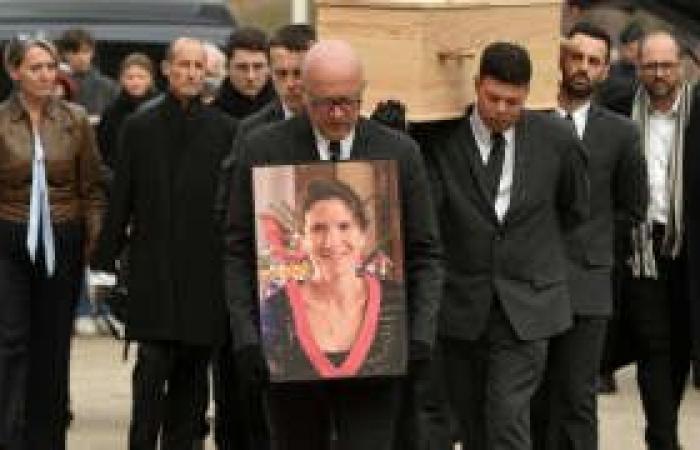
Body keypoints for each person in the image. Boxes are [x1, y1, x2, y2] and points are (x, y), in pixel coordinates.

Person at [224, 40, 442, 450]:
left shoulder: (399, 152)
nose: (338, 114)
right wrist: (247, 337)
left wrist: (420, 336)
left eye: (348, 102)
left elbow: (426, 253)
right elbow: (237, 251)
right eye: (326, 104)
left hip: (379, 356)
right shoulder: (263, 149)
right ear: (303, 94)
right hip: (288, 355)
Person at [422, 42, 589, 450]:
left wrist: (535, 252)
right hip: (461, 305)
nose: (500, 109)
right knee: (472, 424)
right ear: (476, 85)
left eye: (512, 102)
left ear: (527, 95)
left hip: (527, 306)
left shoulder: (557, 139)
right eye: (492, 98)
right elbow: (428, 216)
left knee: (507, 418)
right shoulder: (440, 138)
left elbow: (574, 208)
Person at [91, 37, 235, 450]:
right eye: (183, 65)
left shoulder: (226, 130)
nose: (191, 73)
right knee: (151, 371)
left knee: (193, 380)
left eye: (198, 66)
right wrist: (104, 264)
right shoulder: (139, 127)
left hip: (203, 273)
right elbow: (122, 198)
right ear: (167, 69)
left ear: (207, 73)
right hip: (152, 270)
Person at [530, 22, 648, 450]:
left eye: (594, 61)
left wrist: (593, 239)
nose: (583, 67)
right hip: (530, 282)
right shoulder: (530, 121)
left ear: (605, 70)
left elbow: (633, 207)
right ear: (560, 60)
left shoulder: (621, 133)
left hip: (589, 284)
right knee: (534, 397)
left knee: (578, 397)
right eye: (576, 57)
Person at [0, 35, 105, 450]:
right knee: (10, 340)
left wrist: (94, 246)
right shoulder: (0, 120)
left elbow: (92, 187)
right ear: (14, 72)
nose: (47, 75)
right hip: (9, 238)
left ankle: (46, 438)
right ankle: (9, 434)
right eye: (36, 68)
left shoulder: (75, 119)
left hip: (62, 238)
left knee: (54, 343)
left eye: (50, 67)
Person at [621, 31, 697, 450]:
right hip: (642, 248)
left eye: (666, 65)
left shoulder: (697, 110)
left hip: (688, 246)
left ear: (681, 65)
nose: (659, 74)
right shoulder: (621, 110)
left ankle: (662, 432)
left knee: (681, 346)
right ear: (638, 67)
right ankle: (664, 440)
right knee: (653, 344)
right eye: (650, 66)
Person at [261, 178, 406, 381]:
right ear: (302, 240)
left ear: (363, 236)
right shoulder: (275, 309)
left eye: (344, 226)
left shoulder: (400, 301)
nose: (331, 241)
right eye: (318, 228)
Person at [238, 24, 316, 136]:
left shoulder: (337, 122)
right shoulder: (252, 130)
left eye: (298, 73)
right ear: (270, 72)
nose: (290, 84)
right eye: (281, 74)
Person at [97, 52, 157, 175]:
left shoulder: (161, 109)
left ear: (150, 79)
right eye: (130, 77)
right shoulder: (111, 112)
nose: (135, 82)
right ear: (121, 79)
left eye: (141, 77)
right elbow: (103, 150)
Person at [213, 27, 275, 119]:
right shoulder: (210, 116)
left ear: (269, 68)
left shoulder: (287, 111)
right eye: (242, 67)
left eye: (258, 67)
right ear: (227, 68)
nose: (250, 76)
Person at [58, 28, 118, 119]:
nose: (81, 57)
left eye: (85, 51)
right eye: (75, 52)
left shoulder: (109, 87)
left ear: (92, 52)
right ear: (65, 54)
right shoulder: (56, 85)